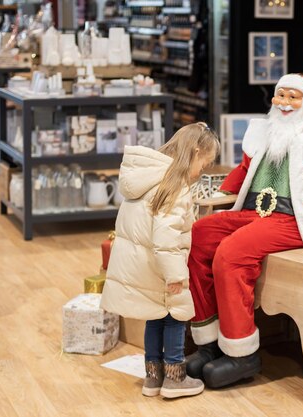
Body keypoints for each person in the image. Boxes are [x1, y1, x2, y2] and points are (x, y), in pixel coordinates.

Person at [186, 73, 303, 388]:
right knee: (200, 235)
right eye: (281, 96)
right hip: (253, 212)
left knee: (231, 254)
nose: (285, 103)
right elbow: (245, 171)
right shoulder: (264, 134)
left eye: (294, 97)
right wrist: (220, 195)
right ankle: (209, 343)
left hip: (295, 221)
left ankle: (241, 353)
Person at [100, 123, 219, 398]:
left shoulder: (149, 178)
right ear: (195, 152)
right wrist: (176, 275)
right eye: (204, 163)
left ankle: (152, 378)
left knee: (155, 318)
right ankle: (175, 378)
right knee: (176, 317)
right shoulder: (175, 188)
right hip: (161, 267)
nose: (202, 171)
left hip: (141, 263)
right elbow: (166, 239)